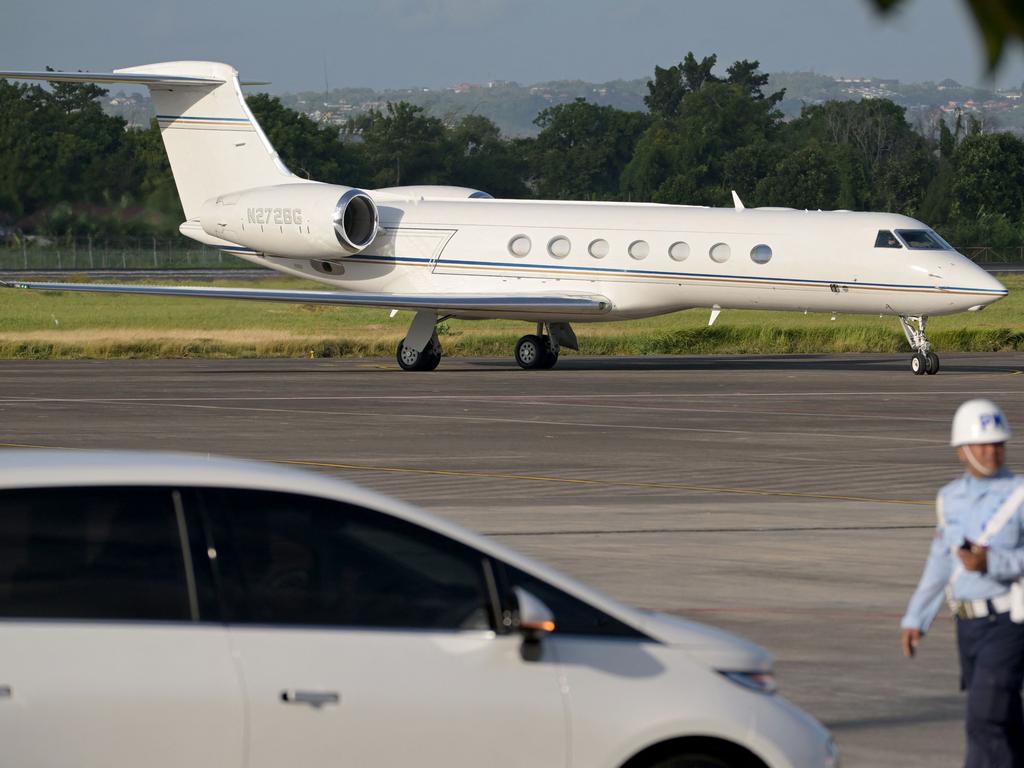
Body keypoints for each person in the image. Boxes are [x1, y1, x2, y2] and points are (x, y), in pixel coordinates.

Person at [902, 398, 1024, 768]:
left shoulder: (1020, 495)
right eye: (983, 444)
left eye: (999, 443)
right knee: (1003, 723)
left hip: (1009, 624)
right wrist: (915, 618)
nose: (992, 452)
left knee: (983, 721)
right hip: (967, 627)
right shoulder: (949, 499)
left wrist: (992, 561)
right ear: (962, 450)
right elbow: (940, 563)